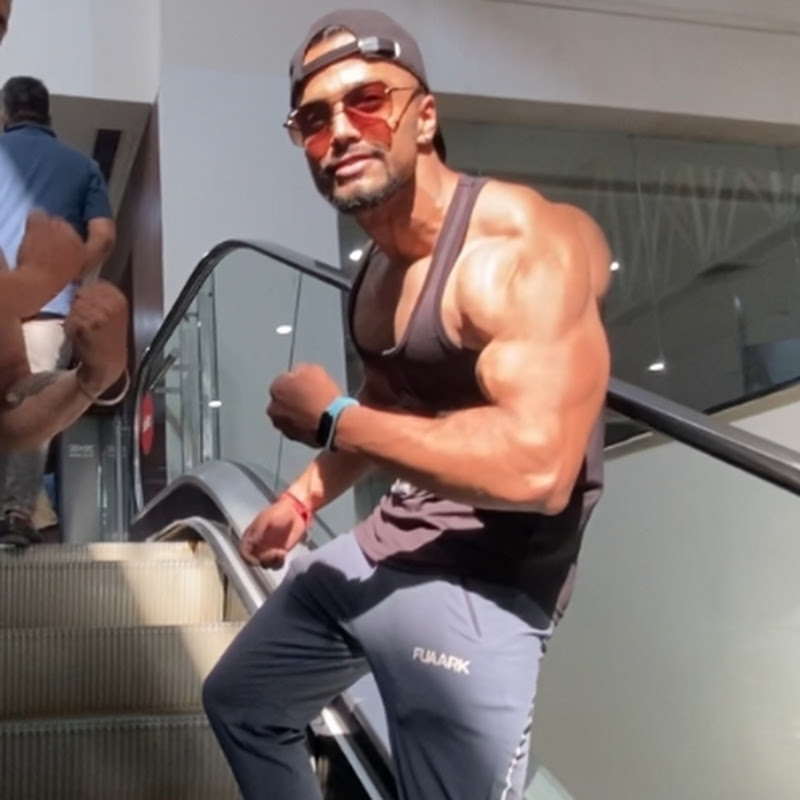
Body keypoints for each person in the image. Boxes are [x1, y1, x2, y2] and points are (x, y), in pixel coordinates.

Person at [203, 10, 611, 800]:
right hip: (384, 545)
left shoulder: (516, 251)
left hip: (483, 589)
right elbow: (392, 401)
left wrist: (333, 418)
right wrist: (303, 496)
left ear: (424, 118)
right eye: (314, 121)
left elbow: (541, 469)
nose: (340, 132)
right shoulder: (376, 277)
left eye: (367, 102)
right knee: (241, 699)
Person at [0, 0, 129, 546]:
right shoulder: (81, 165)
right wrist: (61, 275)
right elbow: (104, 235)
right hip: (46, 310)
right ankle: (16, 514)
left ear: (7, 112)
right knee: (24, 398)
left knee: (17, 398)